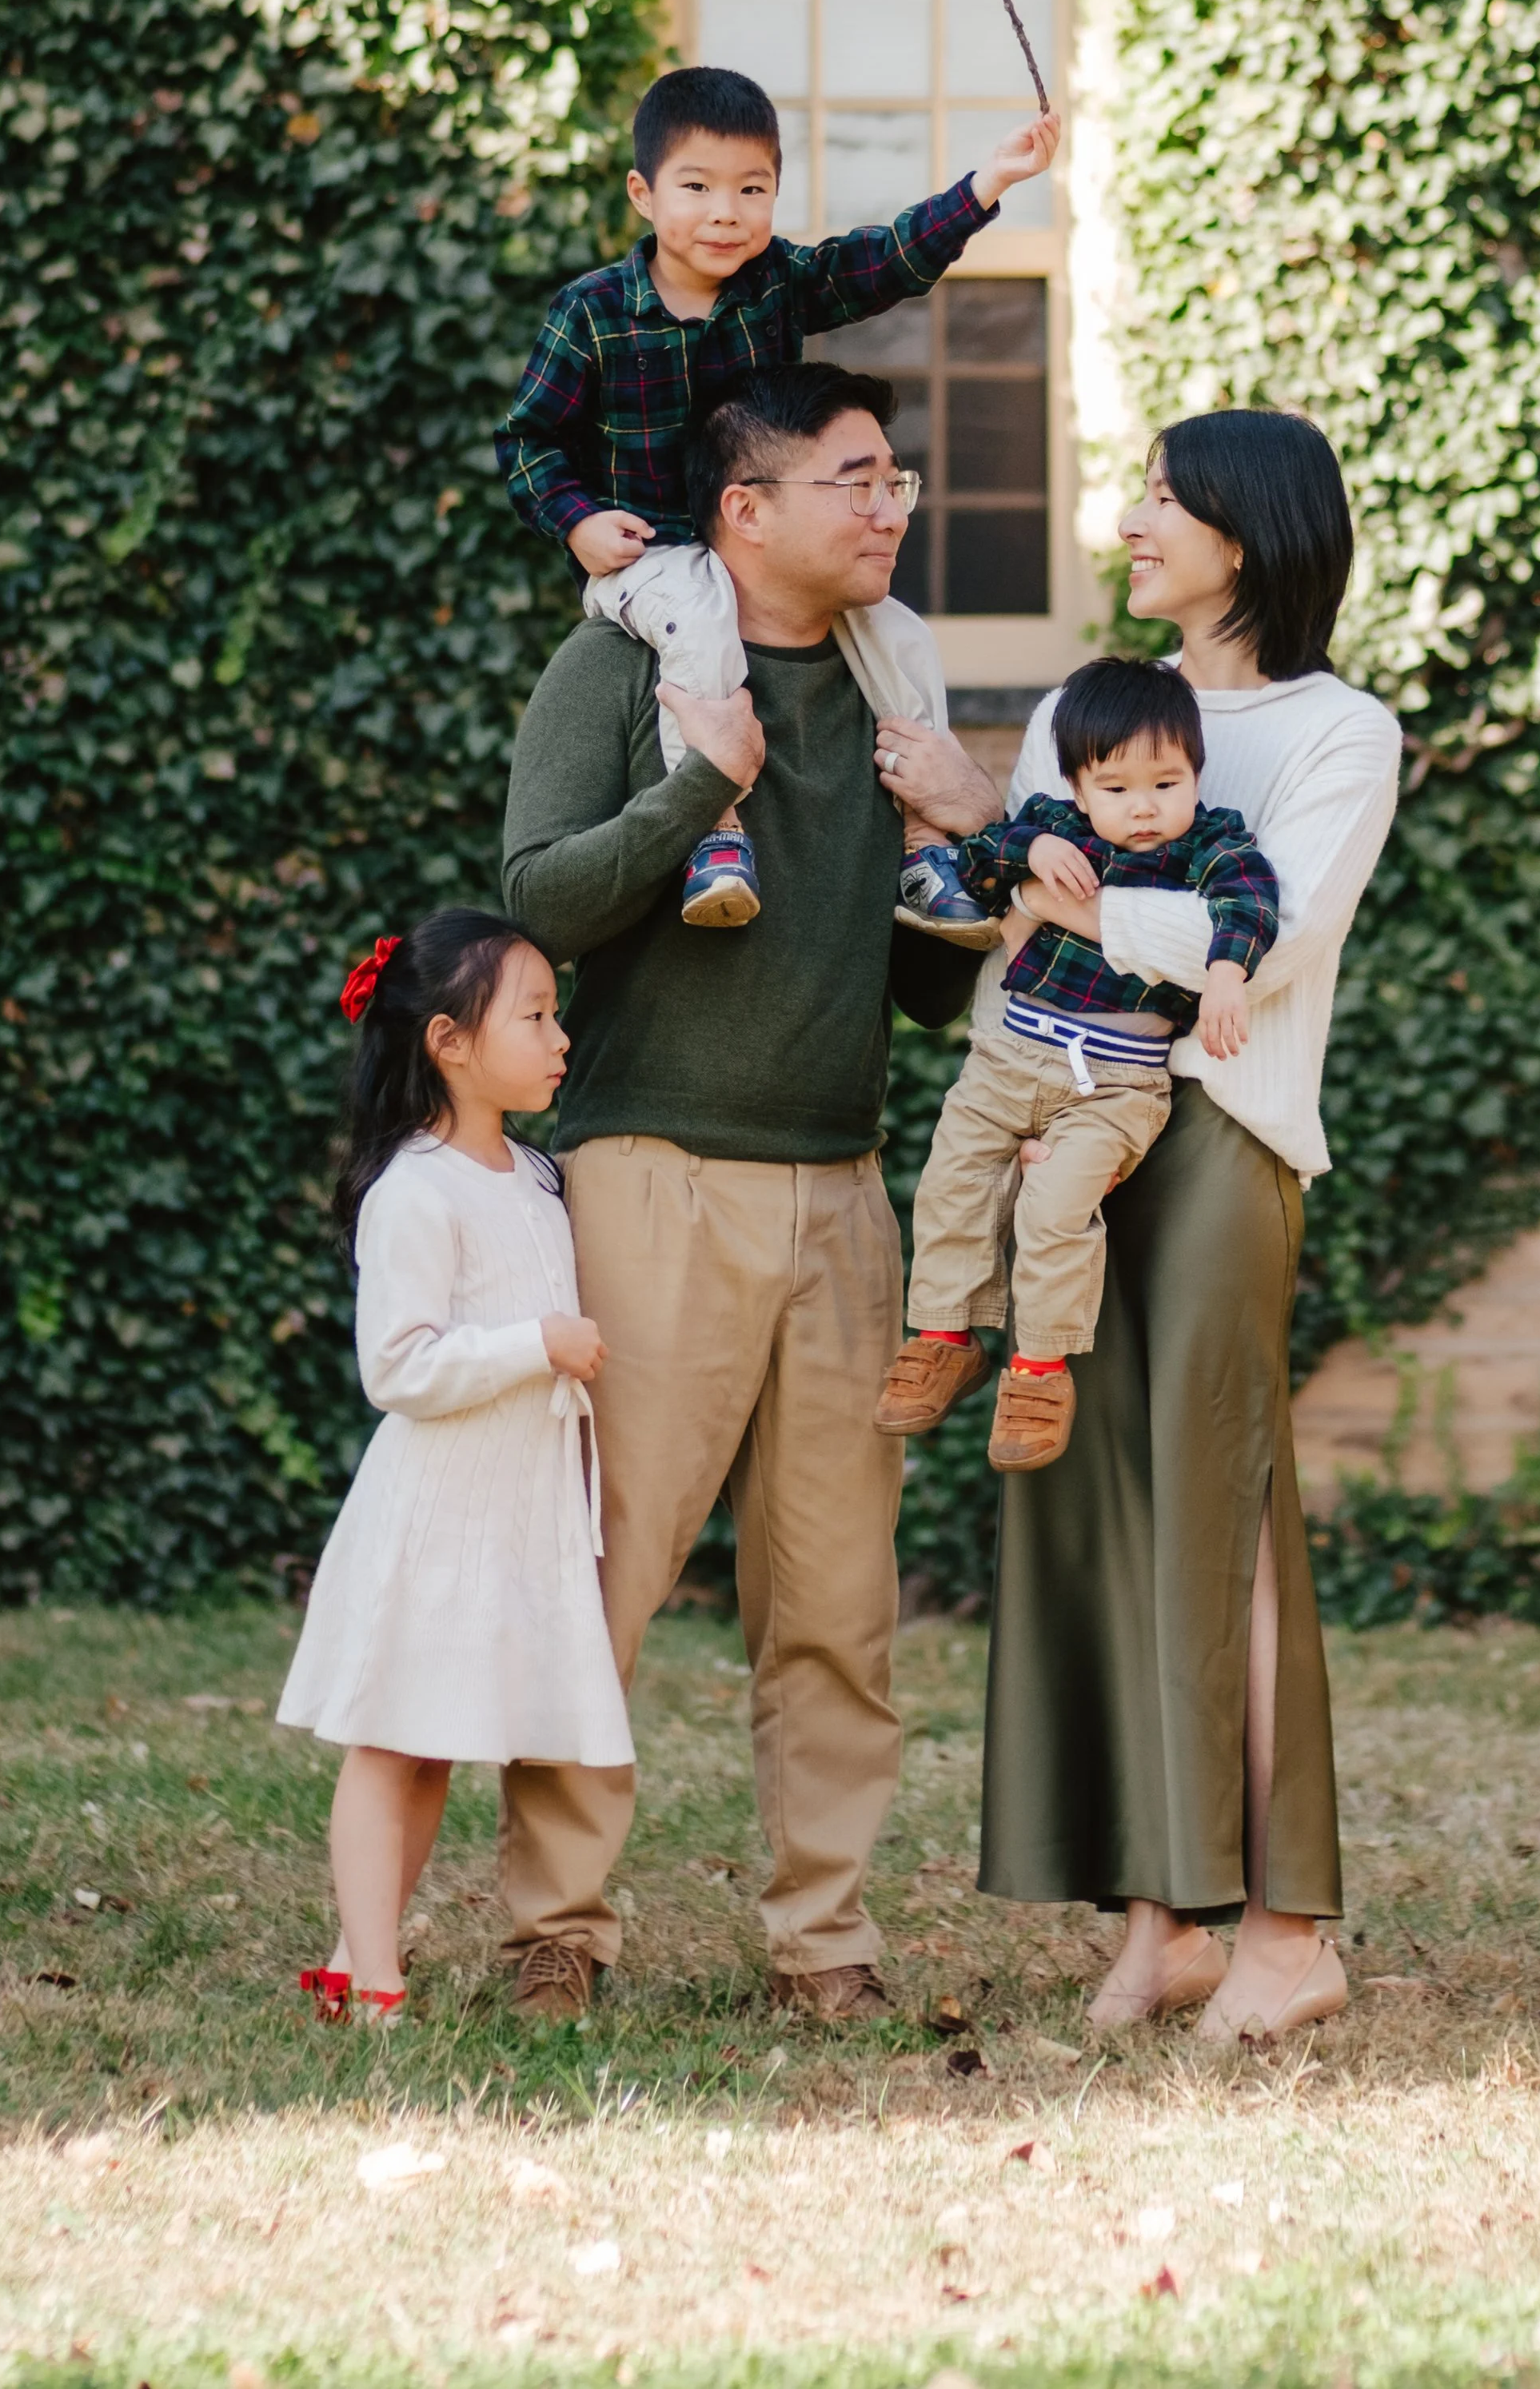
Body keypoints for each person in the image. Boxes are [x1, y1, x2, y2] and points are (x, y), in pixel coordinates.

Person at [872, 409, 1401, 2048]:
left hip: (1217, 1143)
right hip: (1063, 1130)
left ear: (1251, 529)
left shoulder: (1339, 733)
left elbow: (1270, 942)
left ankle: (1290, 1933)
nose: (1130, 520)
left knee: (1220, 1512)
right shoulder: (1083, 708)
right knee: (1090, 1510)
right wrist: (995, 852)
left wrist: (1057, 869)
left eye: (1165, 498)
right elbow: (1014, 923)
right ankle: (1164, 1923)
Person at [496, 361, 982, 2022]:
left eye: (896, 478)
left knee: (838, 1603)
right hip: (651, 1179)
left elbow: (928, 988)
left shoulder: (893, 689)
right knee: (612, 1575)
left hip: (844, 1192)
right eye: (856, 478)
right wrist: (698, 782)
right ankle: (556, 1927)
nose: (891, 505)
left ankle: (823, 1941)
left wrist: (974, 841)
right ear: (745, 510)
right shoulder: (621, 662)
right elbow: (537, 903)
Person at [495, 62, 1058, 939]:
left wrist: (986, 185)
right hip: (654, 556)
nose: (727, 212)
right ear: (643, 194)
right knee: (701, 628)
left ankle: (923, 843)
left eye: (752, 189)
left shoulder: (775, 282)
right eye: (697, 187)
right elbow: (527, 439)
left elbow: (879, 264)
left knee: (901, 637)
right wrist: (577, 521)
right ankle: (716, 832)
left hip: (762, 543)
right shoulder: (593, 313)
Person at [277, 908, 628, 2025]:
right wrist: (537, 1344)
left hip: (509, 1514)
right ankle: (375, 1979)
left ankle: (356, 1956)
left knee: (432, 1748)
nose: (561, 1038)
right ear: (450, 1042)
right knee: (391, 1746)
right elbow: (397, 1366)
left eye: (556, 1015)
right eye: (535, 1016)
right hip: (434, 1515)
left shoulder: (534, 1176)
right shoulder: (415, 1188)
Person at [878, 656, 1278, 1477]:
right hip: (1007, 1059)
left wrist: (1225, 973)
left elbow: (1249, 900)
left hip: (1117, 1086)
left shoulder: (1210, 845)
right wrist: (1033, 849)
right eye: (1116, 787)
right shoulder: (1053, 826)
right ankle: (945, 1335)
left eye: (1166, 783)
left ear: (1195, 774)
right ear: (1078, 785)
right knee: (953, 1178)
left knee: (1056, 1209)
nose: (1144, 807)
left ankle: (1038, 1371)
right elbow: (980, 863)